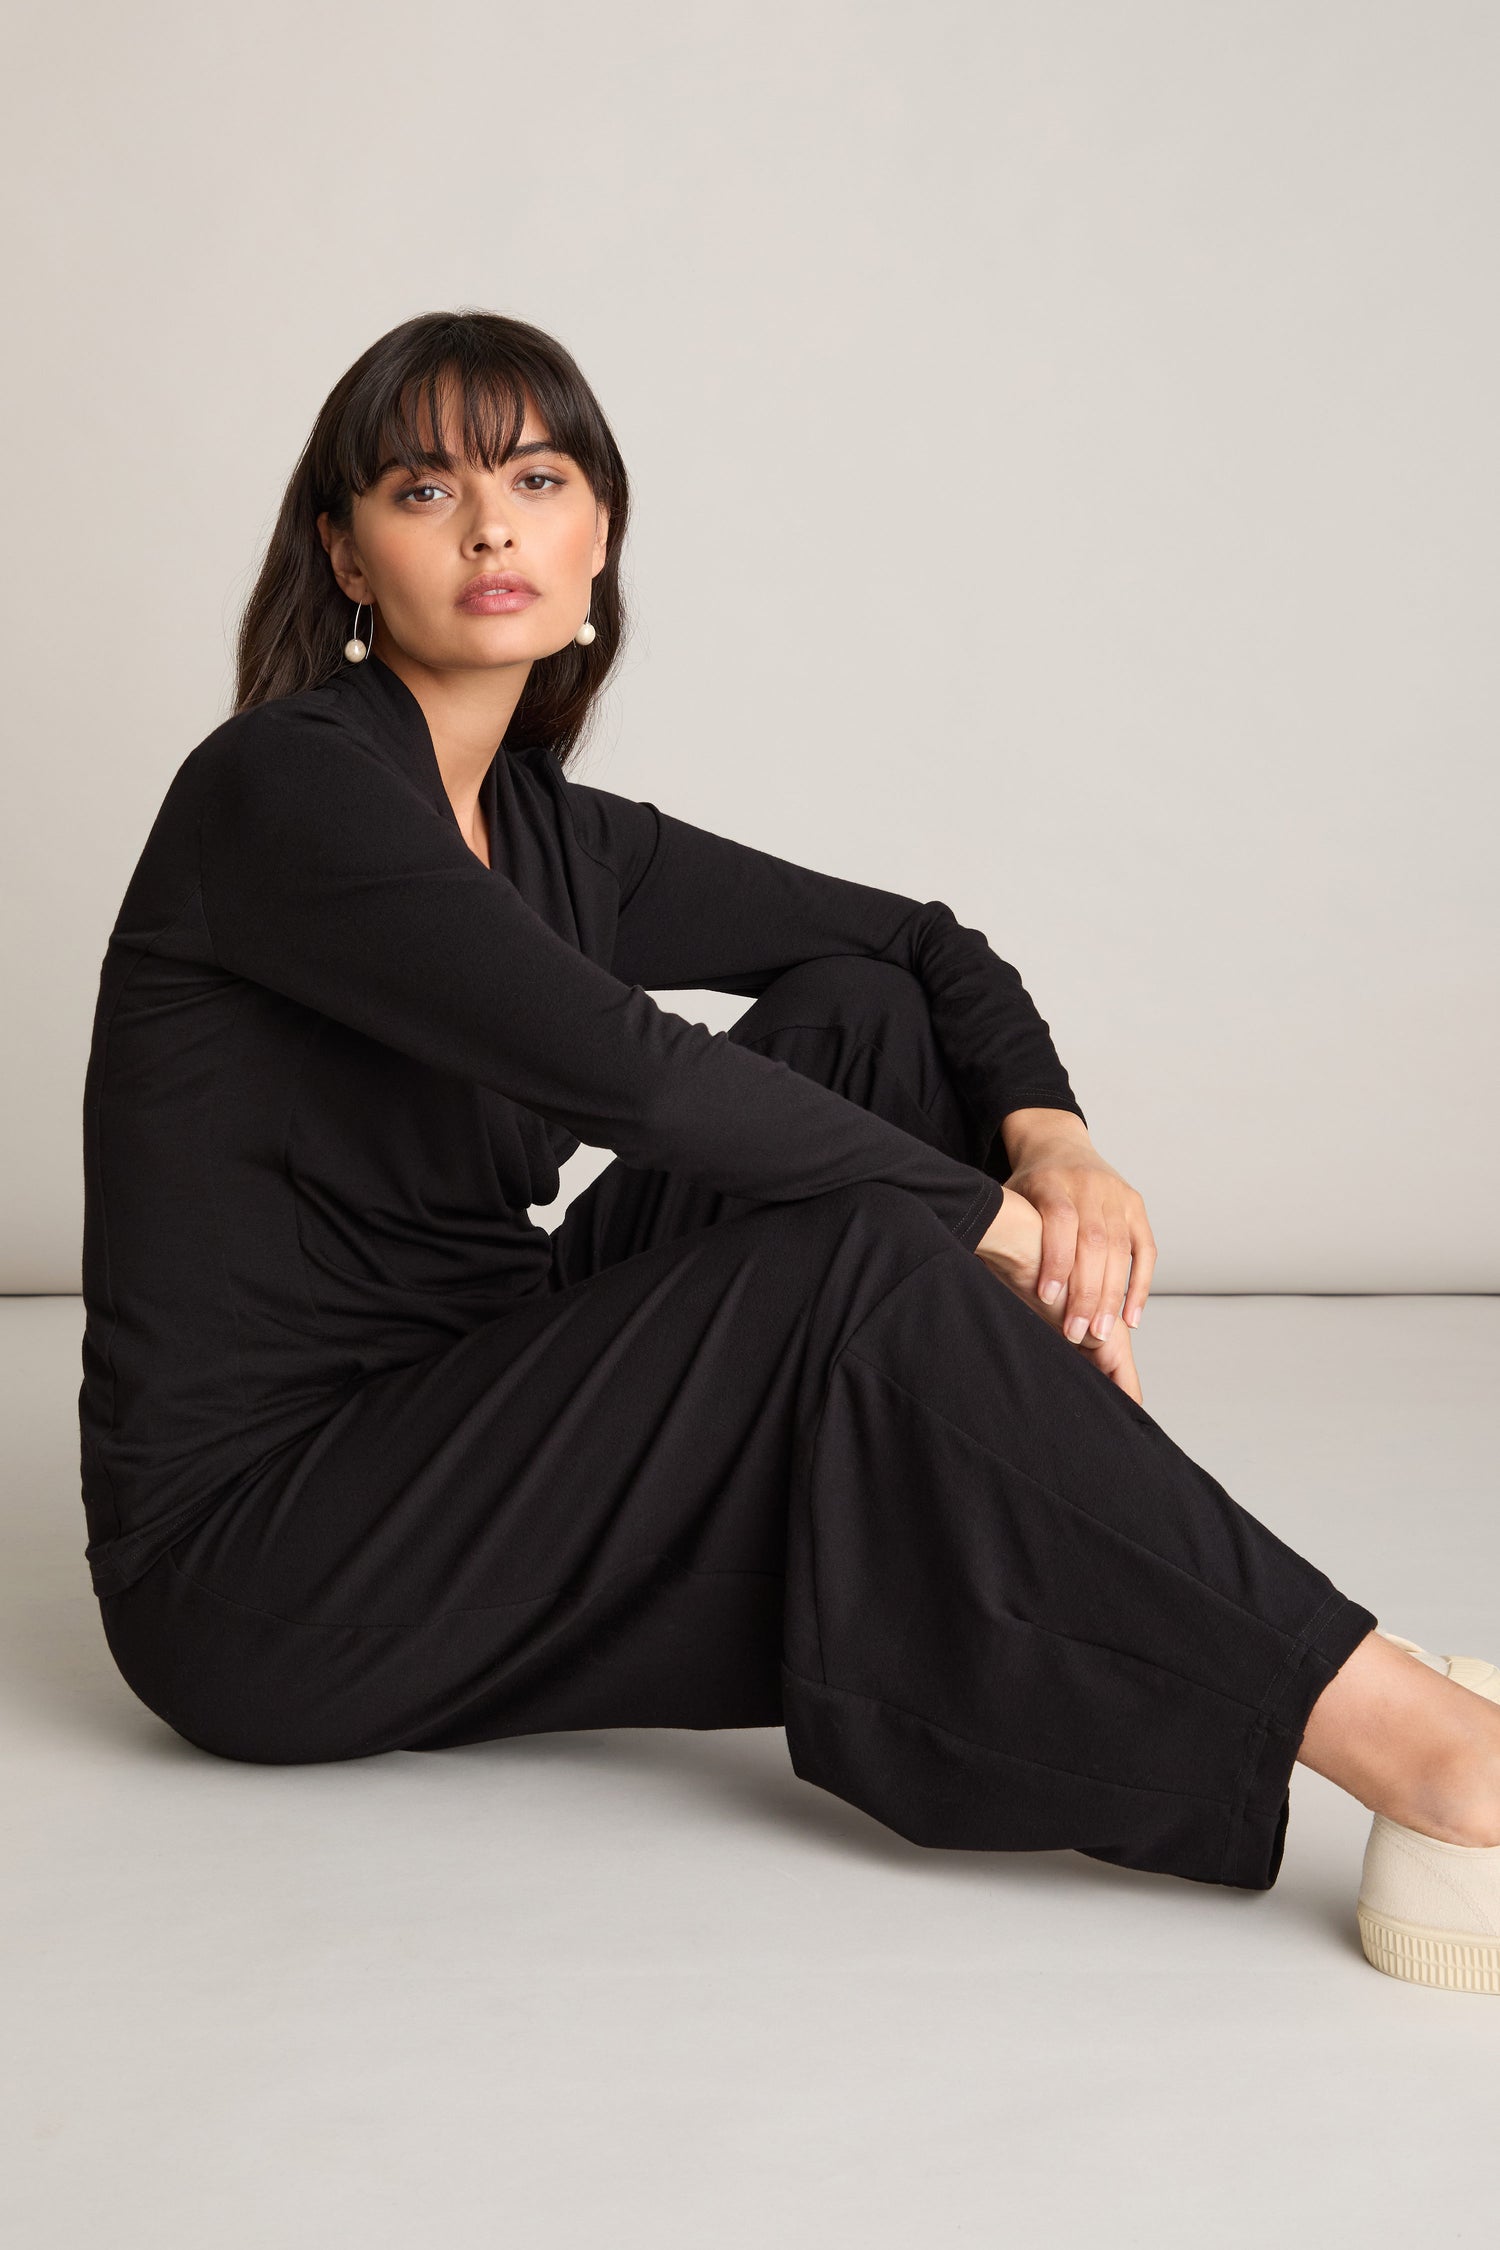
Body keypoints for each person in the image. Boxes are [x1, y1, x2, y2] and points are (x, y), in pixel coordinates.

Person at [79, 309, 1500, 1995]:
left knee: (857, 1016)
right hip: (268, 1562)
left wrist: (1057, 1145)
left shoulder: (549, 830)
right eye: (422, 486)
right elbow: (639, 1081)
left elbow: (918, 946)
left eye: (536, 476)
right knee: (856, 1245)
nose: (489, 525)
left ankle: (1174, 1586)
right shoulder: (284, 792)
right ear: (347, 554)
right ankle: (1430, 1755)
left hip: (472, 1396)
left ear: (598, 527)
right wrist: (985, 1227)